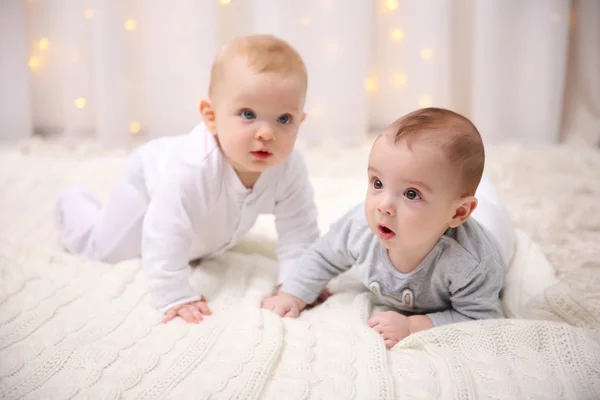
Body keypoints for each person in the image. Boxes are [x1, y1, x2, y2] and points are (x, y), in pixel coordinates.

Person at [56, 34, 325, 324]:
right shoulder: (194, 167)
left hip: (207, 218)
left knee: (198, 241)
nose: (266, 133)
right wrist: (174, 294)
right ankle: (72, 202)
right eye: (248, 114)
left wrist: (296, 284)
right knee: (103, 250)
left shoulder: (288, 166)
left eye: (284, 119)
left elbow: (299, 228)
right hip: (147, 185)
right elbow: (165, 228)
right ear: (211, 116)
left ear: (300, 121)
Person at [262, 107, 516, 349]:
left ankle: (485, 188)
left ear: (459, 212)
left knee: (489, 205)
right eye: (378, 182)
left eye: (411, 194)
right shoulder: (360, 227)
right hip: (450, 207)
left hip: (491, 224)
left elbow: (479, 320)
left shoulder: (472, 263)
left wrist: (413, 325)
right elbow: (323, 255)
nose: (383, 206)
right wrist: (293, 293)